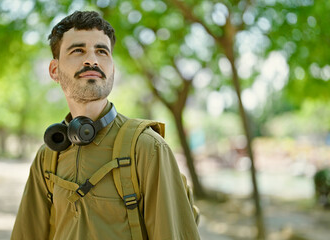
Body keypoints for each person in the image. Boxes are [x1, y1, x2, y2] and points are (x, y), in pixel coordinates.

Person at [11, 11, 200, 240]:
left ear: (112, 69)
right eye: (78, 50)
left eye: (102, 51)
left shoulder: (147, 148)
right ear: (54, 70)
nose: (92, 60)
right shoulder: (48, 157)